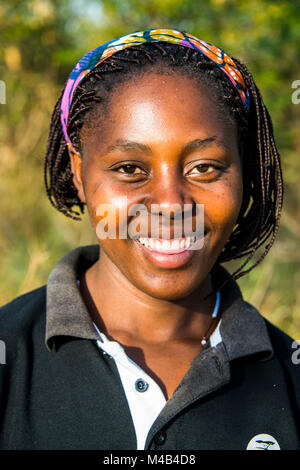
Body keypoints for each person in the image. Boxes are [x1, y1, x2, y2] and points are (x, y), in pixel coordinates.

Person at [0, 28, 299, 451]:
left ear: (245, 173)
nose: (170, 205)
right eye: (128, 168)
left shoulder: (290, 376)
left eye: (205, 168)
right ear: (78, 173)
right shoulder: (8, 355)